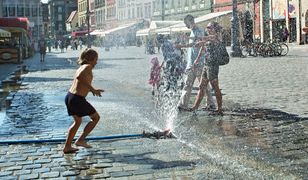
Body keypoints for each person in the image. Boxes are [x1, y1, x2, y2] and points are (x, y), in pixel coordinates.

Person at [63, 48, 104, 154]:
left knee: (77, 121)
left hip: (70, 96)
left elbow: (81, 83)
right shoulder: (87, 66)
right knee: (96, 118)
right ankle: (80, 140)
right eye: (96, 59)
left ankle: (67, 147)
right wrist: (93, 89)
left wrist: (92, 89)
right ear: (91, 59)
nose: (96, 62)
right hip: (77, 99)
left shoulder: (83, 66)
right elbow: (79, 77)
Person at [176, 14, 215, 111]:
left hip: (199, 63)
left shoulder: (199, 30)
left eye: (186, 23)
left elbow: (199, 42)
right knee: (187, 85)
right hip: (191, 64)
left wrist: (184, 44)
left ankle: (211, 104)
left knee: (203, 85)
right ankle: (182, 105)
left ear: (190, 21)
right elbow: (193, 45)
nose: (185, 25)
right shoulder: (192, 32)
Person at [190, 21, 228, 115]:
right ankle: (194, 107)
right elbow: (203, 49)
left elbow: (207, 39)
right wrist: (197, 60)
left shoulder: (216, 37)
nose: (208, 29)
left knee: (215, 87)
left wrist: (194, 38)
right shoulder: (207, 39)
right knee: (202, 86)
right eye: (207, 27)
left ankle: (219, 109)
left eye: (210, 27)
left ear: (215, 29)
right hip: (206, 65)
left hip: (213, 66)